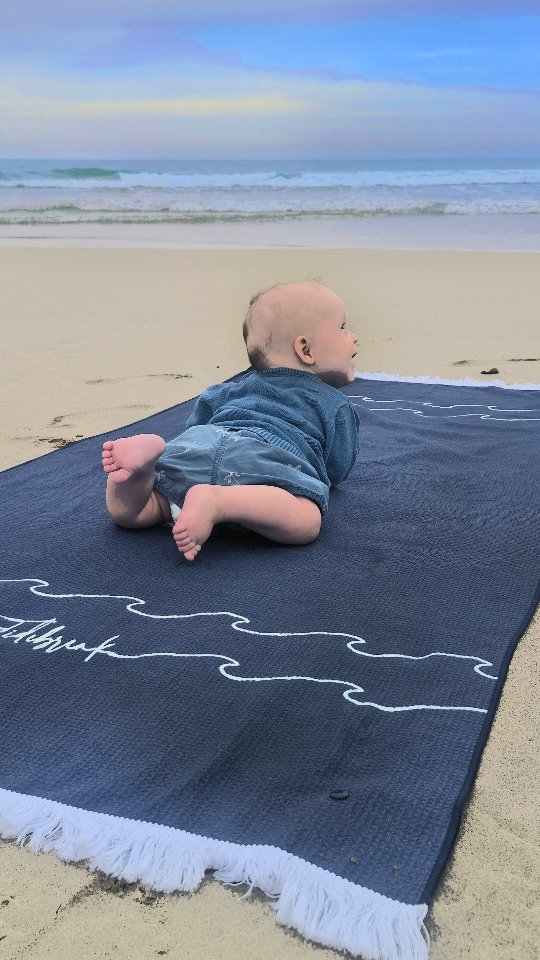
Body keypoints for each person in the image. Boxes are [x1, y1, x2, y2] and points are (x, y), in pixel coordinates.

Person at [102, 280, 359, 561]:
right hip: (269, 455)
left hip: (202, 441)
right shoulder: (333, 403)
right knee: (307, 520)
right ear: (305, 350)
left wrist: (197, 453)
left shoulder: (230, 389)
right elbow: (335, 468)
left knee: (141, 511)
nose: (353, 336)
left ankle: (142, 469)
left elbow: (197, 425)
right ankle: (217, 502)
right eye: (343, 327)